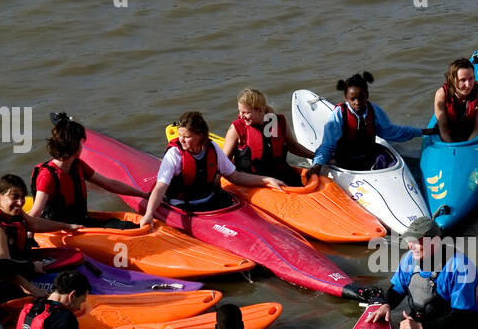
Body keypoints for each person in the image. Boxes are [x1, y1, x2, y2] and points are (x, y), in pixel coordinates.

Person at [364, 216, 478, 329]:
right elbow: (398, 289)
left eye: (416, 240)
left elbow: (463, 317)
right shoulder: (409, 260)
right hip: (419, 323)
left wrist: (421, 327)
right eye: (409, 240)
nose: (410, 246)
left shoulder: (460, 267)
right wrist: (387, 304)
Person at [139, 111, 286, 225]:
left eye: (187, 136)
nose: (181, 140)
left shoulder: (212, 148)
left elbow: (235, 176)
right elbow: (160, 187)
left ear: (200, 135)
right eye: (180, 135)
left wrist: (266, 180)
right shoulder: (174, 155)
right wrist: (149, 214)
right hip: (184, 206)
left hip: (210, 200)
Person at [29, 112, 146, 227]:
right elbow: (36, 214)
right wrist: (28, 237)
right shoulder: (47, 176)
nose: (82, 147)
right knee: (126, 228)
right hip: (61, 230)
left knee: (128, 226)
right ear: (74, 146)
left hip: (80, 222)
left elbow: (111, 184)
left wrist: (144, 195)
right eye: (81, 144)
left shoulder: (78, 165)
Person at [309, 71, 424, 173]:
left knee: (385, 159)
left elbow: (391, 132)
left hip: (368, 153)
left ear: (367, 96)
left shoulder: (374, 111)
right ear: (346, 98)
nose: (357, 102)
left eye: (361, 97)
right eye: (352, 99)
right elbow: (328, 145)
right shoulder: (339, 114)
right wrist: (317, 164)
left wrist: (422, 131)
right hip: (345, 156)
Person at [0, 173, 80, 264]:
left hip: (21, 260)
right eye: (14, 197)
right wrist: (33, 271)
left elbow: (34, 224)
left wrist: (67, 226)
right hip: (9, 274)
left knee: (74, 255)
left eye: (23, 197)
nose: (20, 203)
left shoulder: (12, 211)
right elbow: (4, 266)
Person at [221, 89, 317, 186]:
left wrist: (315, 156)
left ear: (260, 110)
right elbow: (223, 162)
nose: (241, 116)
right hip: (251, 181)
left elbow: (292, 146)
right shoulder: (236, 129)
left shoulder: (278, 122)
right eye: (240, 111)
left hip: (281, 175)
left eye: (246, 112)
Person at [431, 58, 478, 142]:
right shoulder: (441, 94)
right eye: (463, 80)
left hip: (472, 132)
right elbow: (443, 130)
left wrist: (467, 144)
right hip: (451, 133)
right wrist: (452, 147)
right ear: (452, 80)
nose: (468, 85)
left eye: (471, 79)